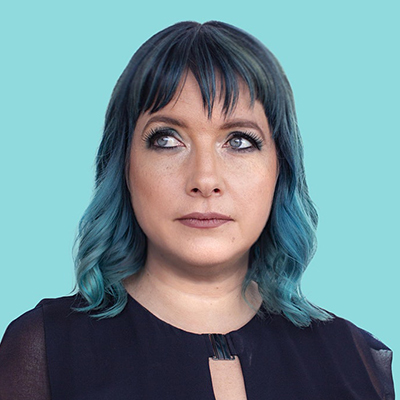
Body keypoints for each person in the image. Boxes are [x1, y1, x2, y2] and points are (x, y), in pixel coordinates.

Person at [0, 21, 394, 399]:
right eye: (167, 139)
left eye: (239, 141)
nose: (205, 180)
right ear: (124, 164)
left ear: (281, 167)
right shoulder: (45, 349)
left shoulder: (355, 359)